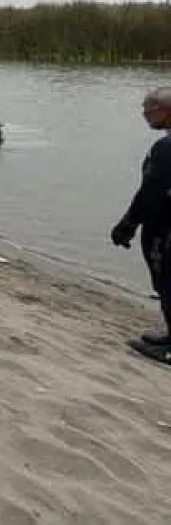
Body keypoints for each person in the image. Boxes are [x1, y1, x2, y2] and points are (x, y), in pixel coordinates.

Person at [111, 87, 171, 359]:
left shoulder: (165, 148)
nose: (144, 114)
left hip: (164, 228)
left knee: (167, 282)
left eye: (149, 109)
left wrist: (128, 224)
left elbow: (152, 191)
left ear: (165, 111)